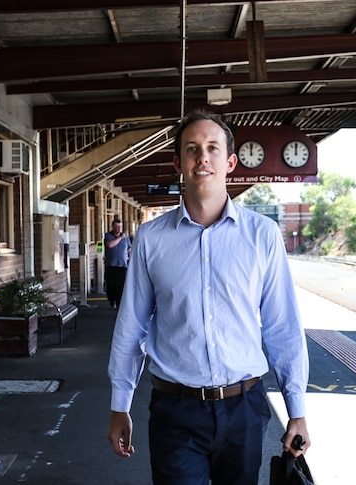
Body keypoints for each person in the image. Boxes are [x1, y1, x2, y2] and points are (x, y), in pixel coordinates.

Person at [107, 111, 310, 484]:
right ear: (178, 163)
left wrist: (296, 410)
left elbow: (283, 328)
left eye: (213, 148)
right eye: (192, 149)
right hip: (176, 411)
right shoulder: (151, 239)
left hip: (245, 409)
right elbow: (131, 326)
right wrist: (120, 404)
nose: (203, 157)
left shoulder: (262, 235)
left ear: (229, 162)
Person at [104, 219, 131, 309]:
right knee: (111, 286)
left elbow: (129, 249)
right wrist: (120, 238)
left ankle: (119, 304)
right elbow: (110, 245)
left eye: (120, 226)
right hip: (111, 265)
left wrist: (131, 259)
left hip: (122, 265)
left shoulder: (126, 237)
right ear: (113, 227)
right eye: (117, 227)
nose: (119, 229)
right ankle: (112, 300)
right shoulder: (108, 236)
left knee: (121, 286)